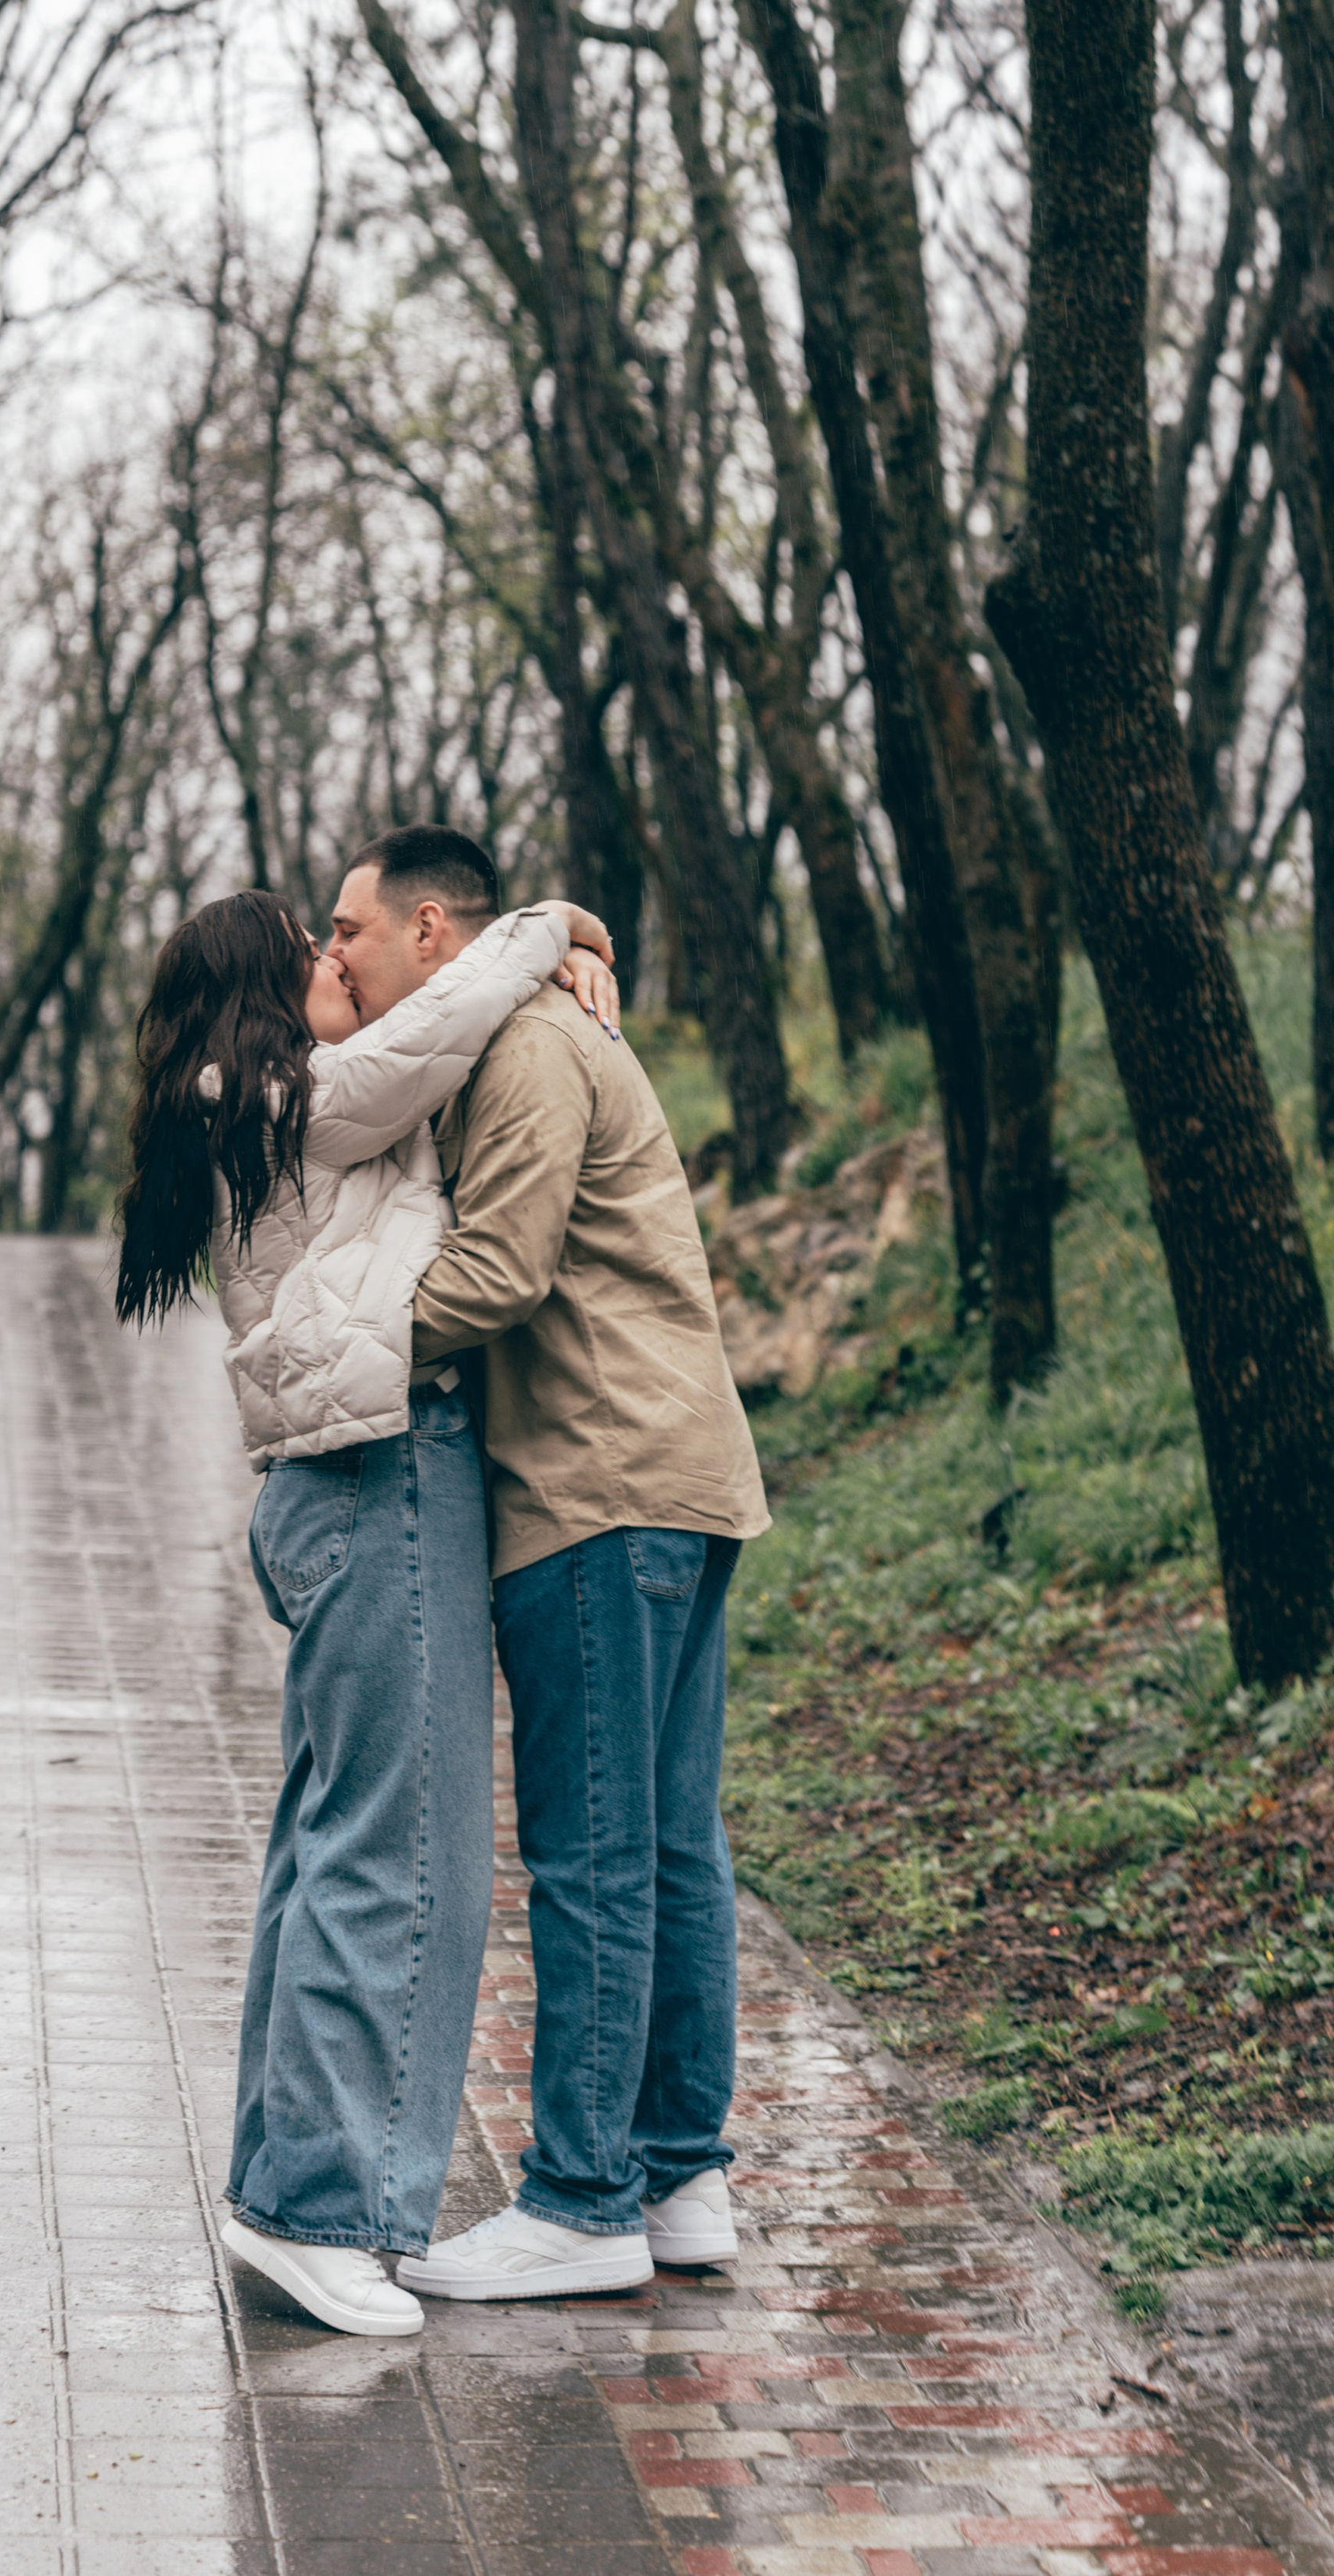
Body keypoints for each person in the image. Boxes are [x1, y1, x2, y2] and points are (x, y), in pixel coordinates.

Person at [114, 860, 619, 2337]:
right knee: (400, 1857)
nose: (342, 961)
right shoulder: (293, 1095)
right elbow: (439, 1022)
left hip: (335, 1490)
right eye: (315, 947)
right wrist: (551, 928)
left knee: (331, 1844)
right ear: (274, 992)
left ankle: (289, 2190)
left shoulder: (270, 1098)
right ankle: (324, 2211)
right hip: (375, 1477)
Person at [325, 825, 770, 2301]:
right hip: (678, 1474)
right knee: (668, 1839)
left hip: (596, 1485)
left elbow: (501, 1274)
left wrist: (323, 1354)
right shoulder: (539, 1021)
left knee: (593, 1855)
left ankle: (584, 2199)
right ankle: (681, 2169)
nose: (341, 954)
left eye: (353, 930)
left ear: (435, 929)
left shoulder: (523, 1051)